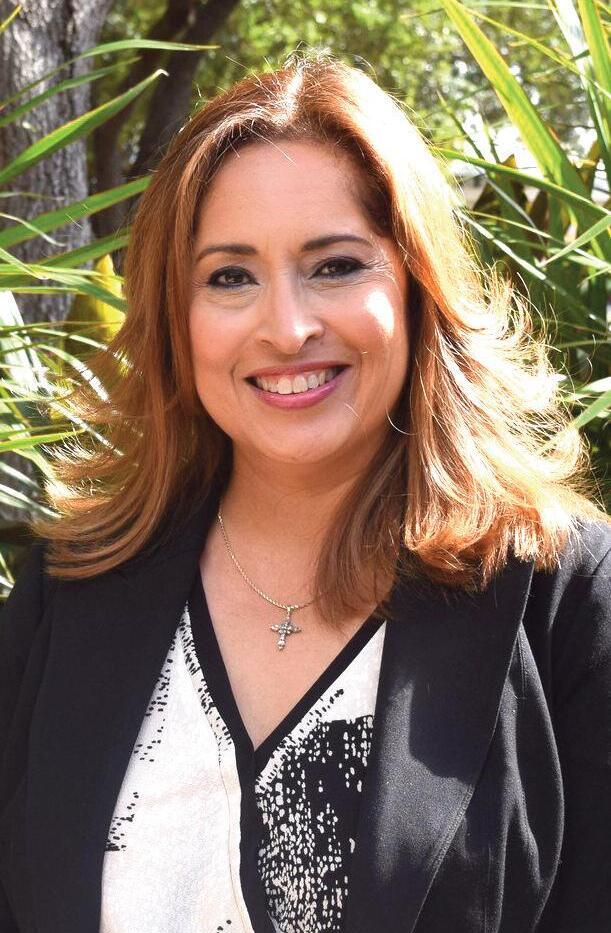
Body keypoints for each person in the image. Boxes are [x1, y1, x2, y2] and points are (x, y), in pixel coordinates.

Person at [0, 54, 609, 933]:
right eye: (229, 276)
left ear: (418, 286)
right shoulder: (70, 592)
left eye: (335, 265)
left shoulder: (564, 600)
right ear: (174, 315)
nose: (286, 328)